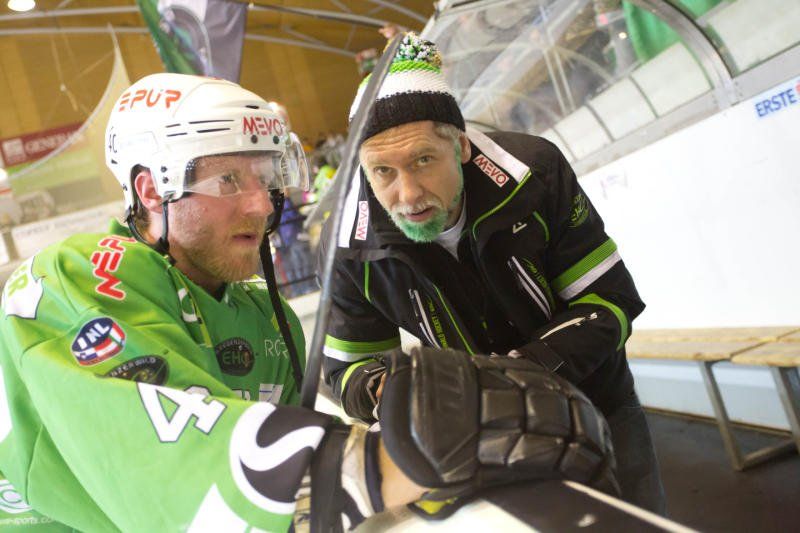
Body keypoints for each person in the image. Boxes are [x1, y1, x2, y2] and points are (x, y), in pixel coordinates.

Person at [0, 73, 616, 531]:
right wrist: (402, 459)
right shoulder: (75, 279)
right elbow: (161, 460)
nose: (262, 205)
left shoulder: (265, 319)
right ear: (151, 190)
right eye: (229, 179)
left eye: (267, 178)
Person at [321, 33, 666, 515]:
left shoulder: (535, 172)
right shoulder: (347, 246)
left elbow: (608, 301)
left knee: (636, 519)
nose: (408, 194)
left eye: (423, 160)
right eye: (382, 171)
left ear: (461, 145)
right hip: (479, 433)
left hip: (596, 399)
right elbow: (348, 370)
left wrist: (505, 377)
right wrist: (388, 390)